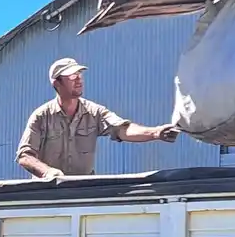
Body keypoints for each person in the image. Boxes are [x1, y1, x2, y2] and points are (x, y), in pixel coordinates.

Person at [16, 58, 180, 179]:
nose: (79, 79)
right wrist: (48, 172)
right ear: (56, 83)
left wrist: (156, 133)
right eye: (72, 76)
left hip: (84, 190)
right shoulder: (41, 117)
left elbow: (122, 129)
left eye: (79, 74)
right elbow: (25, 156)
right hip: (46, 194)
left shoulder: (94, 112)